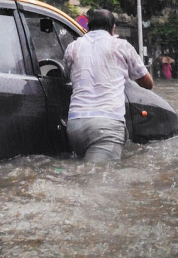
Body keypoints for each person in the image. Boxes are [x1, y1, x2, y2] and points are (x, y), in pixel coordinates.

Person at [63, 9, 154, 162]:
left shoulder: (73, 47)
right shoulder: (121, 46)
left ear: (88, 27)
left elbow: (67, 76)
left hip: (75, 125)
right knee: (99, 179)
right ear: (113, 28)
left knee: (84, 174)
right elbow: (147, 83)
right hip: (106, 126)